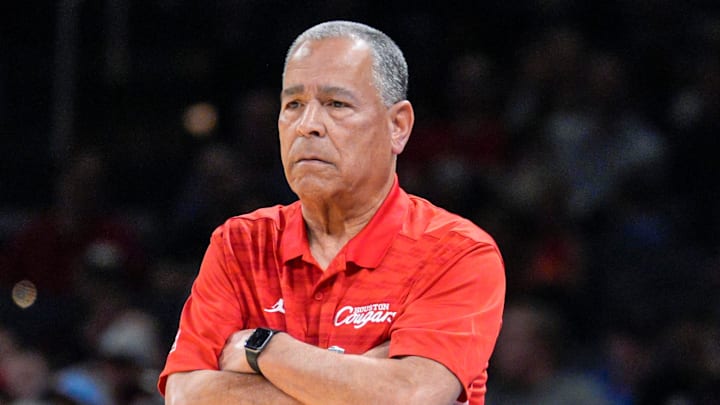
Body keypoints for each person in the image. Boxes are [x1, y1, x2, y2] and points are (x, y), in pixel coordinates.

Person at [158, 20, 505, 405]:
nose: (307, 126)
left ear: (398, 126)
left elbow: (409, 395)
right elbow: (186, 396)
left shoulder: (457, 252)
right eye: (293, 105)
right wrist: (360, 381)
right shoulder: (239, 244)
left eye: (336, 104)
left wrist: (263, 349)